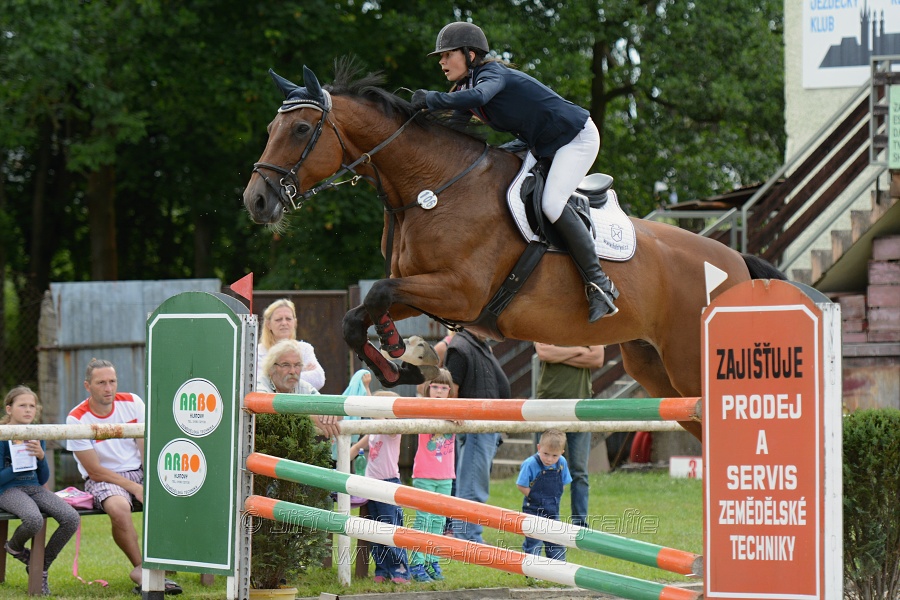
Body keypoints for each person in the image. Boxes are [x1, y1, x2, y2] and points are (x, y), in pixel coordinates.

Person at [411, 22, 618, 322]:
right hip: (541, 144)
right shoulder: (464, 89)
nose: (442, 62)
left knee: (551, 204)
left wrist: (431, 99)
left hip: (575, 138)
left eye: (447, 55)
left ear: (470, 54)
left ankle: (600, 285)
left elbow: (479, 97)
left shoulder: (492, 74)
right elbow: (452, 135)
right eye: (441, 57)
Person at [66, 359, 182, 595]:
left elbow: (146, 449)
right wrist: (135, 488)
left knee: (178, 490)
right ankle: (143, 570)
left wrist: (153, 480)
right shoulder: (76, 418)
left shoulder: (132, 402)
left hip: (138, 470)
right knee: (119, 508)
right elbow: (94, 471)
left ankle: (169, 560)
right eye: (101, 383)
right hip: (104, 478)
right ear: (87, 386)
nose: (108, 388)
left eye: (112, 381)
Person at [1, 386, 80, 596]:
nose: (28, 410)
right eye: (22, 405)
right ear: (9, 409)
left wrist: (41, 457)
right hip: (8, 490)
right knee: (33, 520)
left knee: (71, 518)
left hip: (34, 488)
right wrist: (17, 466)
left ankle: (41, 566)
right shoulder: (1, 435)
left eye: (32, 406)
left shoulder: (37, 433)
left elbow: (43, 478)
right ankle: (15, 546)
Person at [444, 328, 510, 543]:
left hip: (485, 428)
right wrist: (455, 413)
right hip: (474, 428)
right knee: (472, 487)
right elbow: (451, 389)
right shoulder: (460, 347)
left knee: (475, 485)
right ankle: (468, 538)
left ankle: (469, 535)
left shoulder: (477, 345)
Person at [534, 342, 606, 528]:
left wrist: (560, 354)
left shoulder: (589, 327)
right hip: (548, 405)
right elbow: (544, 353)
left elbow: (597, 359)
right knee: (544, 468)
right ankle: (544, 523)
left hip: (580, 405)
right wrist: (579, 350)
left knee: (579, 471)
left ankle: (579, 526)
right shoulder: (546, 325)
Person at [408, 368, 457, 583]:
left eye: (443, 388)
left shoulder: (455, 411)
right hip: (425, 474)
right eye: (434, 387)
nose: (438, 391)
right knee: (424, 519)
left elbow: (465, 418)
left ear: (450, 392)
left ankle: (431, 560)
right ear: (427, 389)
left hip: (445, 475)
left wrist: (457, 417)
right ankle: (417, 563)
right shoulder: (424, 407)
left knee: (439, 521)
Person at [358, 391, 409, 584]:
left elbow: (385, 424)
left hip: (388, 484)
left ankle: (400, 570)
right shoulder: (374, 429)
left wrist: (370, 396)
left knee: (391, 529)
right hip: (371, 484)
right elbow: (357, 447)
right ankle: (382, 569)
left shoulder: (393, 429)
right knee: (375, 530)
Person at [258, 339, 341, 438]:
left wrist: (329, 414)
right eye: (286, 365)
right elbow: (265, 413)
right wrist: (309, 418)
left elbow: (338, 412)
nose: (293, 371)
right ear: (271, 368)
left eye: (297, 365)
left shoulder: (303, 387)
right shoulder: (260, 385)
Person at [516, 429, 572, 560]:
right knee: (534, 541)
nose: (549, 459)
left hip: (552, 509)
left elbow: (563, 482)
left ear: (561, 453)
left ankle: (558, 567)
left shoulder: (562, 463)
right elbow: (521, 484)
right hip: (533, 509)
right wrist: (535, 496)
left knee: (556, 540)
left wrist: (554, 497)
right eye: (546, 454)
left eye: (554, 455)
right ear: (539, 448)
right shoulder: (530, 464)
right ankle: (531, 567)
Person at [256, 298, 325, 390]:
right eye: (278, 319)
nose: (284, 323)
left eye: (288, 319)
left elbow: (319, 379)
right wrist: (302, 372)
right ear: (268, 324)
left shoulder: (305, 349)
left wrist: (278, 376)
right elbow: (258, 383)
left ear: (295, 323)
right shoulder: (257, 352)